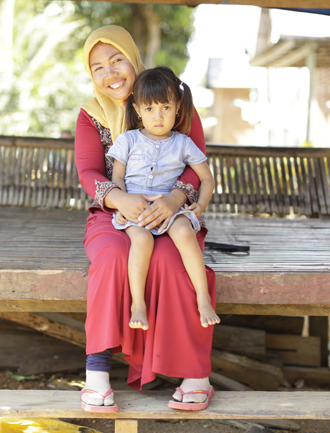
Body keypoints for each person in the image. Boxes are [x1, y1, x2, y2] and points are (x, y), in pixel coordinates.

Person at [75, 25, 216, 413]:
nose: (111, 72)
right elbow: (89, 172)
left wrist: (174, 199)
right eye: (98, 66)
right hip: (115, 214)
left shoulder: (172, 100)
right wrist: (118, 198)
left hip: (172, 211)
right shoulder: (91, 114)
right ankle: (97, 375)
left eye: (117, 59)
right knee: (112, 259)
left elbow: (197, 164)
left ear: (132, 58)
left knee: (174, 261)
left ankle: (195, 375)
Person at [107, 66, 219, 331]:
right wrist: (122, 202)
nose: (158, 117)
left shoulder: (183, 143)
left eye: (165, 108)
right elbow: (117, 178)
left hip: (170, 211)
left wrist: (199, 206)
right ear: (137, 110)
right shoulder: (128, 140)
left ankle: (203, 298)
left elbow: (207, 178)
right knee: (142, 240)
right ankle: (138, 304)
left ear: (178, 107)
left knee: (183, 232)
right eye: (149, 109)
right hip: (136, 210)